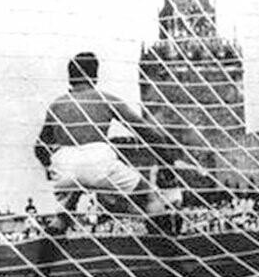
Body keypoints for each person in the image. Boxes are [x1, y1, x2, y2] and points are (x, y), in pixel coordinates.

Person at [34, 52, 195, 235]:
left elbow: (39, 148)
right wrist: (167, 163)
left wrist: (50, 169)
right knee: (149, 197)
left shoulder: (56, 105)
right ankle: (166, 245)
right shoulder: (105, 99)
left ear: (70, 78)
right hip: (98, 159)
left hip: (65, 163)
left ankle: (48, 249)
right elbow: (148, 133)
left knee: (65, 210)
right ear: (94, 75)